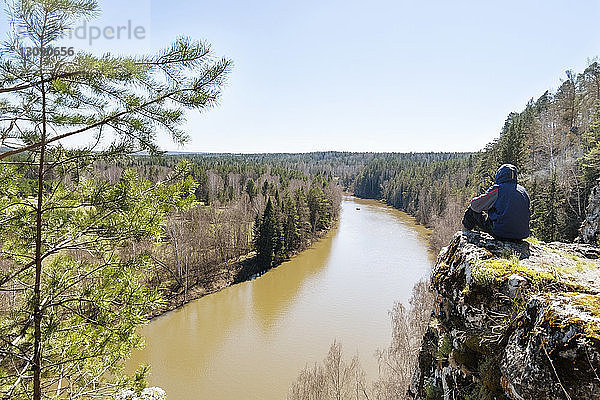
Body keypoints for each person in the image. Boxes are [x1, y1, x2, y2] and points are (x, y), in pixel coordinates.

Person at [462, 164, 530, 240]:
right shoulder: (523, 191)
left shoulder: (498, 189)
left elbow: (475, 205)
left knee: (471, 211)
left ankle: (464, 235)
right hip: (522, 235)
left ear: (500, 175)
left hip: (501, 233)